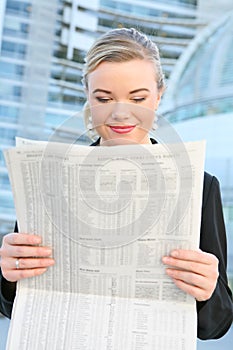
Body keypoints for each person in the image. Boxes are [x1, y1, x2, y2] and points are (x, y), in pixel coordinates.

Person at [0, 28, 232, 341]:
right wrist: (10, 276)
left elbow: (217, 325)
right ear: (87, 95)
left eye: (138, 98)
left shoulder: (199, 187)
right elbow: (13, 306)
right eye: (104, 98)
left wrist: (207, 291)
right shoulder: (49, 177)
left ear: (159, 95)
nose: (121, 113)